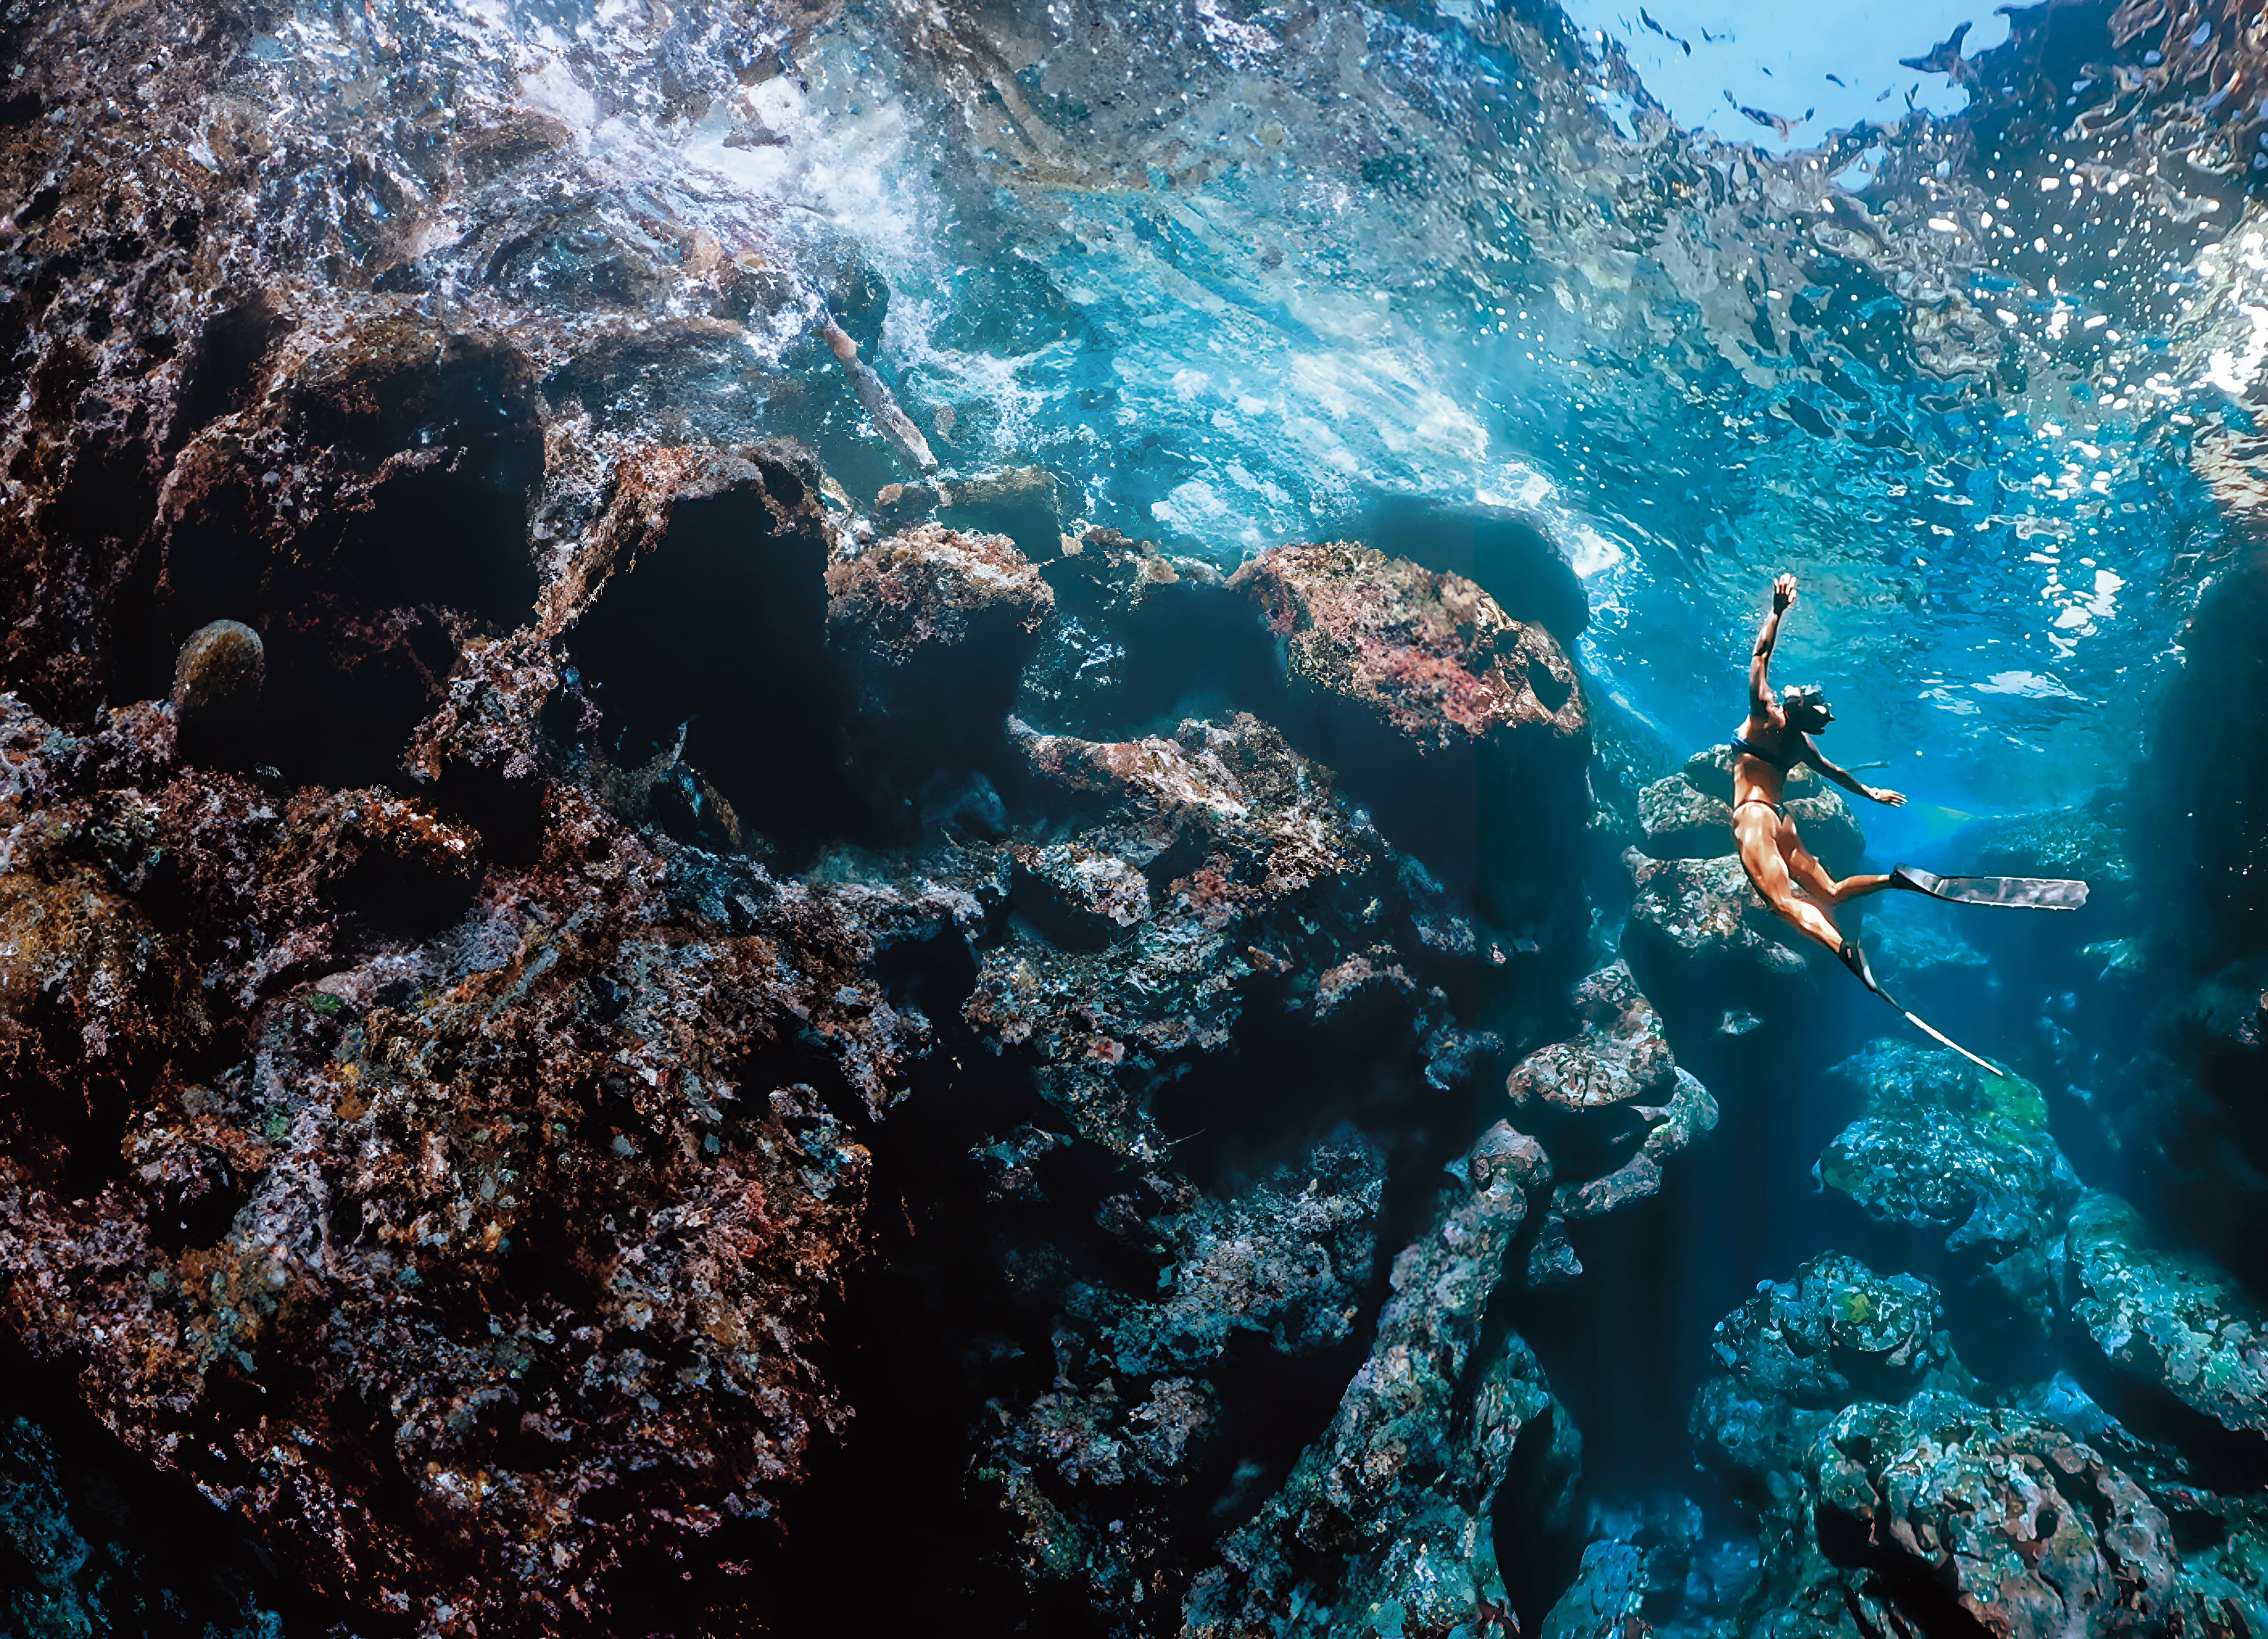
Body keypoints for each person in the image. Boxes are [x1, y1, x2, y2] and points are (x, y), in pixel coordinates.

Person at [1731, 573, 1906, 981]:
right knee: (1829, 892)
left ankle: (1842, 950)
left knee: (1781, 902)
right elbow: (1837, 774)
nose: (1798, 687)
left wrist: (1777, 613)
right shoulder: (1801, 745)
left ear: (1795, 705)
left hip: (1754, 815)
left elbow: (1760, 656)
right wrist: (1873, 793)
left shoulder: (1764, 716)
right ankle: (1892, 880)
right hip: (1780, 817)